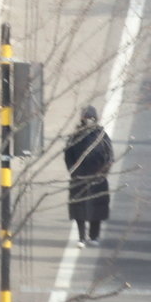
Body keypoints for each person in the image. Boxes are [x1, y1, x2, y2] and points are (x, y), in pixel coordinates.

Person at [63, 105, 113, 248]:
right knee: (79, 209)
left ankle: (94, 236)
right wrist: (74, 172)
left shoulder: (102, 136)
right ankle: (81, 237)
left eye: (91, 118)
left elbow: (110, 157)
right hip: (79, 178)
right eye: (86, 118)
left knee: (97, 208)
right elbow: (68, 156)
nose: (88, 121)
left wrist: (103, 173)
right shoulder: (75, 136)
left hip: (98, 178)